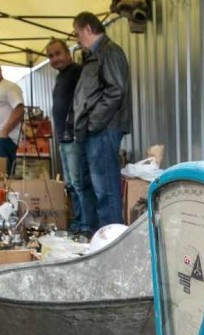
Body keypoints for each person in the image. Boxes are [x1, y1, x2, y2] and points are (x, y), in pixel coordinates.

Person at [73, 11, 132, 231]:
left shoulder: (110, 52)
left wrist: (93, 123)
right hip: (93, 131)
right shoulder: (93, 55)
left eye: (78, 33)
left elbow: (115, 91)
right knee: (91, 187)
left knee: (105, 190)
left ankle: (110, 244)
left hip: (103, 130)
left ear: (88, 28)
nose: (77, 38)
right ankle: (97, 239)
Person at [46, 37, 93, 240]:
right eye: (50, 56)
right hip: (63, 138)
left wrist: (73, 128)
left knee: (79, 183)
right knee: (71, 185)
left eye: (57, 53)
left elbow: (81, 103)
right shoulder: (60, 76)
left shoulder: (76, 72)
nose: (55, 59)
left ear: (67, 53)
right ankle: (76, 222)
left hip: (73, 135)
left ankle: (86, 225)